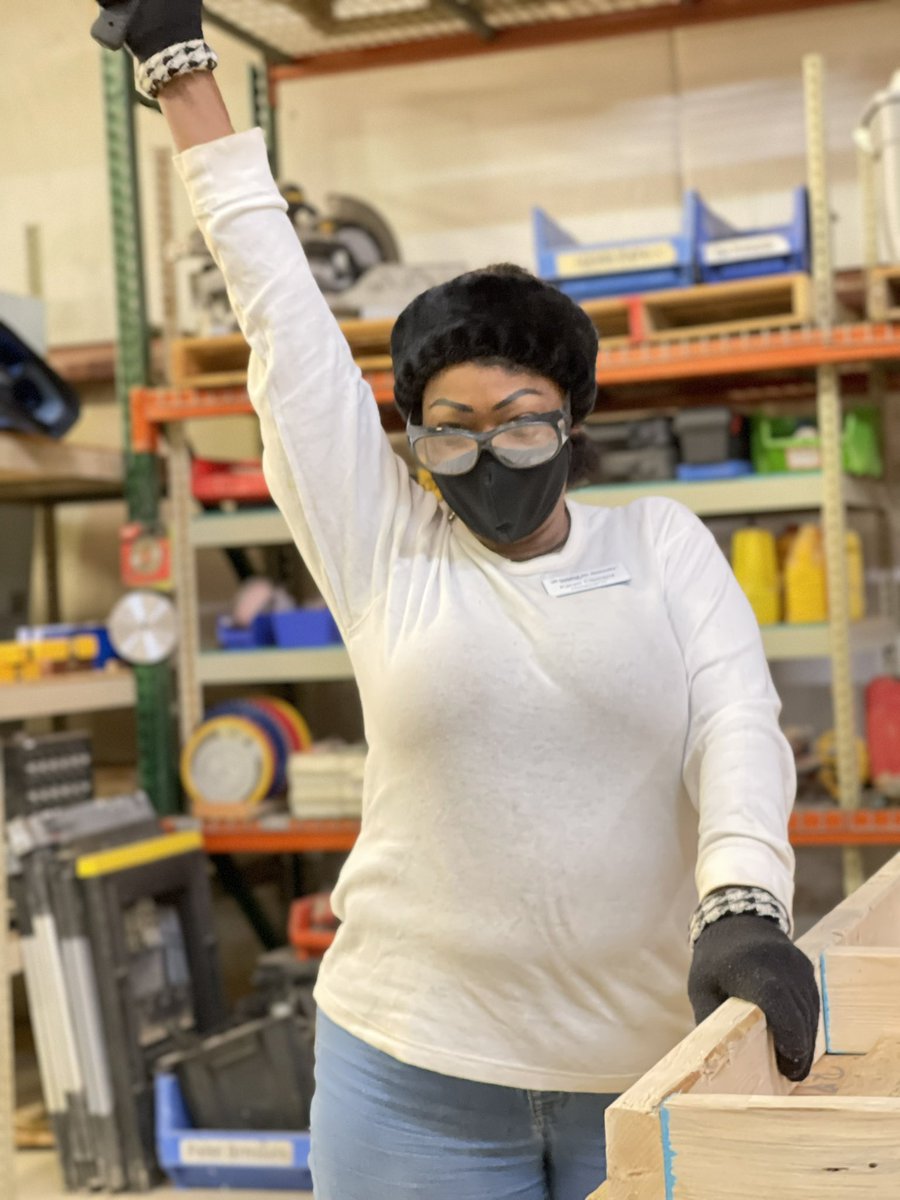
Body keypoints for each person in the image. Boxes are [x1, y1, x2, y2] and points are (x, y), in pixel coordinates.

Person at [93, 5, 820, 1197]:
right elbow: (280, 310)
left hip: (644, 1063)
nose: (490, 454)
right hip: (407, 1073)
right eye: (453, 429)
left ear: (573, 420)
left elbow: (736, 724)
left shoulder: (663, 545)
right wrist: (183, 71)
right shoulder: (388, 547)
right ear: (415, 441)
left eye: (523, 418)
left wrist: (743, 900)